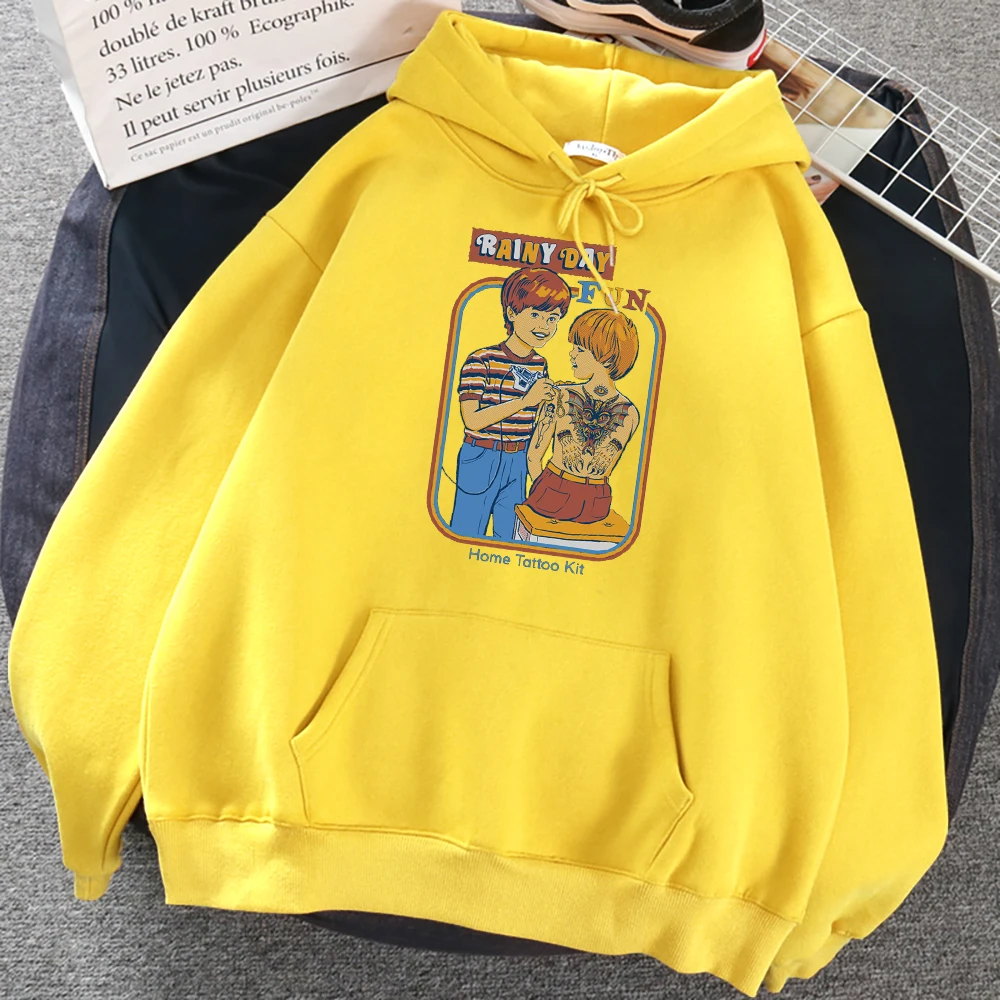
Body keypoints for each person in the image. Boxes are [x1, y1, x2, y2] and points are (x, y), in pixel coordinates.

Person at [450, 266, 570, 540]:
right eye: (535, 315)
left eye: (552, 318)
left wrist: (553, 401)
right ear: (511, 313)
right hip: (481, 455)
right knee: (467, 530)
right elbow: (472, 420)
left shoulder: (540, 364)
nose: (544, 326)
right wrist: (525, 401)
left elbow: (537, 416)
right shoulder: (481, 360)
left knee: (510, 534)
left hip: (519, 457)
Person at [525, 308, 641, 525]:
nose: (572, 354)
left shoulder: (560, 395)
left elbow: (534, 456)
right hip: (595, 500)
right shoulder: (631, 412)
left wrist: (542, 489)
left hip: (564, 493)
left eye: (579, 349)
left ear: (606, 357)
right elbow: (533, 456)